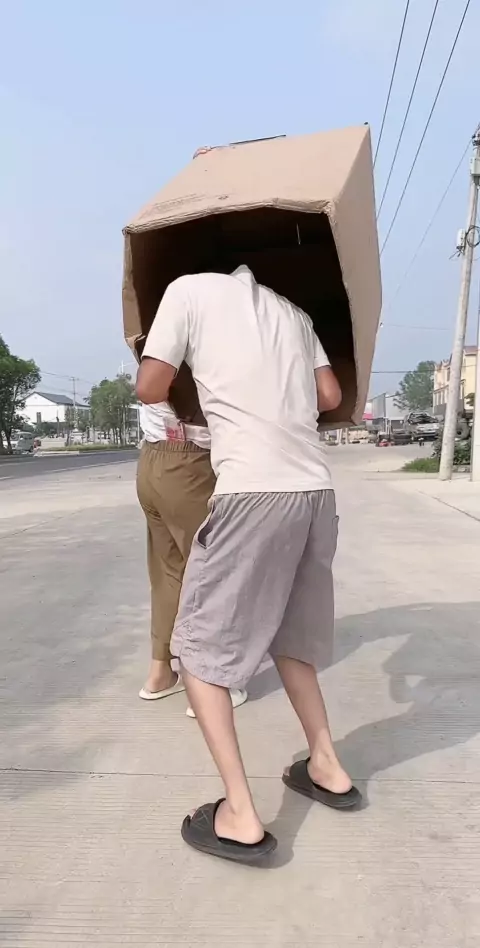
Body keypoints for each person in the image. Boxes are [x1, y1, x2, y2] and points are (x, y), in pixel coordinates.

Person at [136, 264, 360, 863]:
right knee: (291, 636)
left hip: (250, 491)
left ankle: (239, 813)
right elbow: (330, 397)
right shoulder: (295, 313)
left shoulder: (185, 290)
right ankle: (327, 764)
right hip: (314, 491)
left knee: (198, 651)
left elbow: (151, 387)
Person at [137, 393, 247, 716]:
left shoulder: (149, 355)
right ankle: (209, 683)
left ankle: (160, 672)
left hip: (152, 457)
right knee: (213, 573)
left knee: (168, 572)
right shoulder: (189, 357)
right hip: (190, 462)